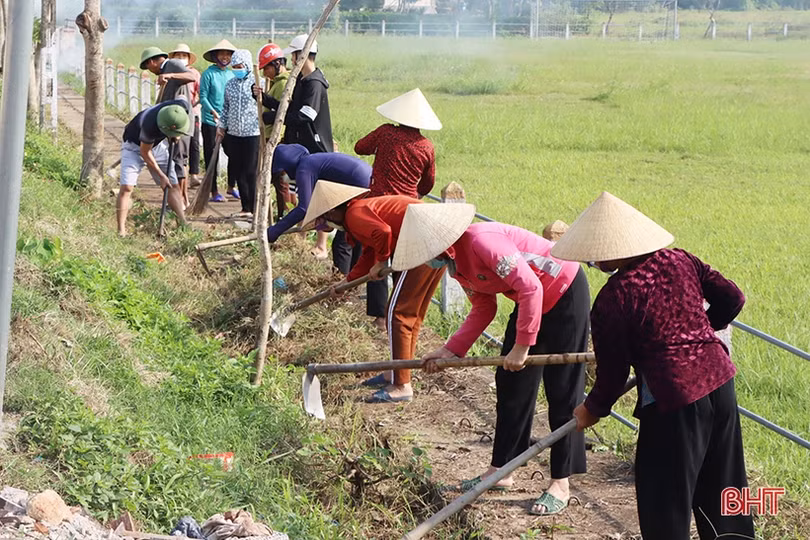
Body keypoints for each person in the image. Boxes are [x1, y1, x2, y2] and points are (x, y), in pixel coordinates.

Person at [549, 192, 755, 540]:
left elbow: (612, 374)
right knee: (726, 488)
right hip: (720, 381)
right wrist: (698, 331)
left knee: (664, 500)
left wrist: (591, 409)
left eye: (597, 253)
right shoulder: (681, 260)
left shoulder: (614, 297)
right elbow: (733, 298)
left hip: (673, 399)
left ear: (614, 249)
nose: (594, 260)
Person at [406, 206, 590, 515]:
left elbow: (531, 286)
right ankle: (502, 469)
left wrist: (522, 346)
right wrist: (450, 350)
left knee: (563, 390)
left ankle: (560, 482)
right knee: (511, 384)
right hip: (530, 300)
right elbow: (484, 307)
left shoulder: (483, 242)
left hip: (563, 290)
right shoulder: (457, 265)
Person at [302, 184, 471, 403]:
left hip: (423, 241)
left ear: (334, 212)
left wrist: (382, 262)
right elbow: (370, 251)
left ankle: (401, 385)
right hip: (435, 239)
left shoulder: (354, 214)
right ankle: (397, 370)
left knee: (397, 314)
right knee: (410, 314)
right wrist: (346, 282)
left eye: (324, 220)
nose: (326, 225)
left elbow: (383, 233)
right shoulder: (360, 211)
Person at [354, 88, 442, 334]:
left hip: (379, 207)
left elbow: (360, 147)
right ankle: (398, 314)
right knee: (403, 263)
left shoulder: (385, 133)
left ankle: (379, 317)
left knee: (377, 256)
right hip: (408, 211)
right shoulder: (426, 147)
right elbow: (428, 183)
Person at [266, 145, 374, 273]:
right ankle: (355, 279)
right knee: (356, 237)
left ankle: (341, 281)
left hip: (360, 186)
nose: (283, 177)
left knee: (343, 244)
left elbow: (303, 209)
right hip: (368, 181)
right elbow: (320, 200)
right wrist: (322, 223)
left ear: (287, 166)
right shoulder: (312, 162)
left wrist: (273, 232)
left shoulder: (304, 168)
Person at [117, 100, 191, 237]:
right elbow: (145, 152)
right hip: (134, 146)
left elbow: (182, 117)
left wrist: (177, 134)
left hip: (157, 147)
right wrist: (161, 175)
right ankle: (121, 231)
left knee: (173, 185)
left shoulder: (180, 107)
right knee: (127, 187)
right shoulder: (149, 125)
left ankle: (183, 224)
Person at [263, 34, 333, 154]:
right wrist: (264, 99)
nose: (291, 60)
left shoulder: (314, 83)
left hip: (313, 150)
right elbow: (292, 108)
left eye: (293, 55)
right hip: (298, 145)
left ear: (302, 55)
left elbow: (305, 115)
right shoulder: (301, 79)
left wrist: (276, 117)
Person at [253, 43, 295, 220]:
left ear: (277, 64)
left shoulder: (284, 83)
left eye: (267, 68)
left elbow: (282, 111)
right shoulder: (276, 83)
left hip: (276, 138)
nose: (265, 73)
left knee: (280, 179)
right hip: (269, 136)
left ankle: (284, 216)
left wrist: (267, 115)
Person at [216, 49, 260, 219]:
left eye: (239, 66)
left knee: (250, 171)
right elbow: (225, 108)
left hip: (252, 133)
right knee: (239, 170)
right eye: (234, 67)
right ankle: (245, 207)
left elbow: (264, 104)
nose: (236, 69)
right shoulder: (230, 84)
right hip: (234, 134)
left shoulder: (258, 83)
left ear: (247, 65)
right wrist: (221, 126)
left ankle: (255, 207)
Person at [199, 39, 236, 203]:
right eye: (222, 54)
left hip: (229, 121)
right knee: (212, 156)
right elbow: (203, 97)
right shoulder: (208, 74)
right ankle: (213, 190)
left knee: (234, 153)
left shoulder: (232, 74)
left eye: (228, 54)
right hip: (211, 121)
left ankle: (231, 186)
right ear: (215, 56)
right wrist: (213, 112)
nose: (225, 57)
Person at [168, 43, 201, 208]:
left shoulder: (192, 73)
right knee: (177, 157)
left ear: (188, 59)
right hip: (173, 118)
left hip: (189, 116)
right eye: (178, 56)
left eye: (184, 56)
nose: (181, 58)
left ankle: (183, 196)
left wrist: (193, 106)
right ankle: (182, 196)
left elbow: (199, 91)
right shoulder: (170, 73)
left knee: (183, 156)